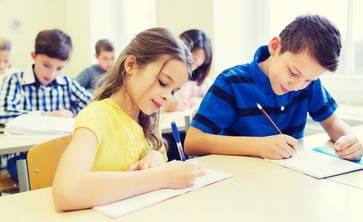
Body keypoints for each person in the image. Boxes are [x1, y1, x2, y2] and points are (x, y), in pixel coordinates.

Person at [53, 28, 206, 211]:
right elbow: (67, 191)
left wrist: (154, 155)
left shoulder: (148, 117)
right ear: (131, 65)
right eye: (163, 83)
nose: (168, 97)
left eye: (173, 91)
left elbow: (156, 159)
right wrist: (163, 177)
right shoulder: (96, 116)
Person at [184, 14, 363, 161]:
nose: (297, 85)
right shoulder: (231, 82)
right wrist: (259, 146)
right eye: (293, 73)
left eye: (308, 80)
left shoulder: (308, 84)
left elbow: (332, 122)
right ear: (275, 46)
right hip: (240, 184)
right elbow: (193, 142)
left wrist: (350, 140)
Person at [0, 29, 93, 180]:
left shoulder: (67, 83)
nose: (51, 74)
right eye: (46, 65)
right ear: (33, 56)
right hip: (24, 157)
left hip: (63, 153)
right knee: (50, 179)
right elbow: (2, 113)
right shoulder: (14, 80)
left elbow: (94, 105)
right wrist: (45, 115)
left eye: (59, 68)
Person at [163, 29, 212, 112]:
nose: (193, 68)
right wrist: (165, 107)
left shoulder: (201, 81)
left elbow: (214, 102)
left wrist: (200, 101)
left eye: (199, 65)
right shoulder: (162, 76)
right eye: (193, 61)